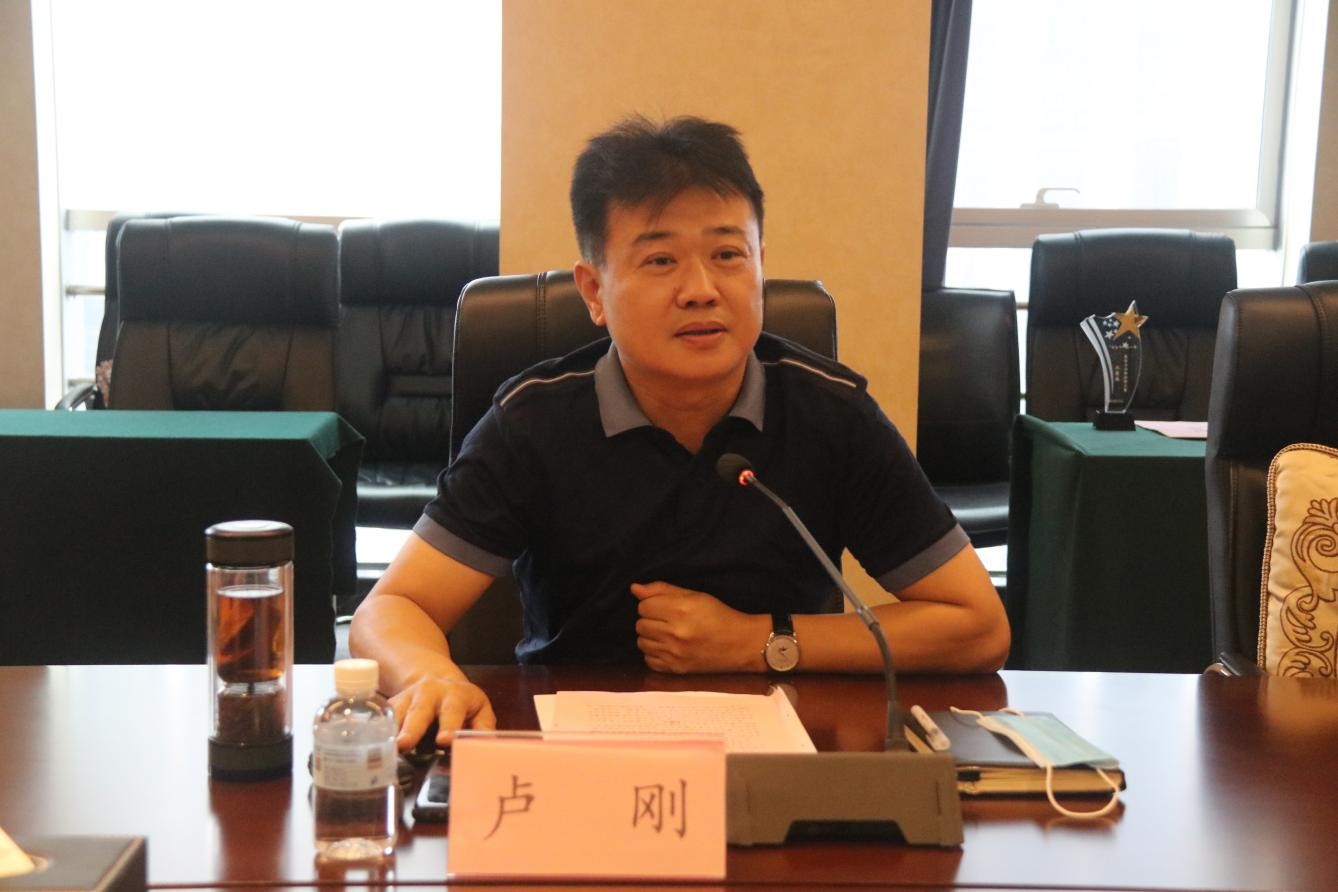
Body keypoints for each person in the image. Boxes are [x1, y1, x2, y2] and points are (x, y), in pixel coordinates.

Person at [350, 114, 1010, 751]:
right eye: (661, 260)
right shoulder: (534, 421)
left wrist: (760, 641)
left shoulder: (832, 416)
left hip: (784, 759)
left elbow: (978, 627)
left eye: (728, 254)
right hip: (576, 759)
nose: (701, 289)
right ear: (594, 291)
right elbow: (391, 608)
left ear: (759, 265)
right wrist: (428, 676)